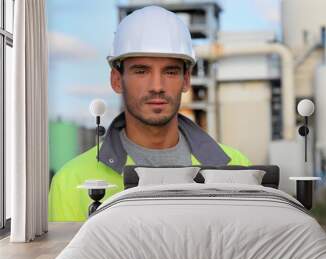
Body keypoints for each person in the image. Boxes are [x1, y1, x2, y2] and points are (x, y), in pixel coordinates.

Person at [48, 5, 252, 222]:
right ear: (116, 80)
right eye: (141, 71)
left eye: (170, 71)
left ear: (186, 80)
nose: (157, 86)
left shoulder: (236, 169)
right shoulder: (72, 180)